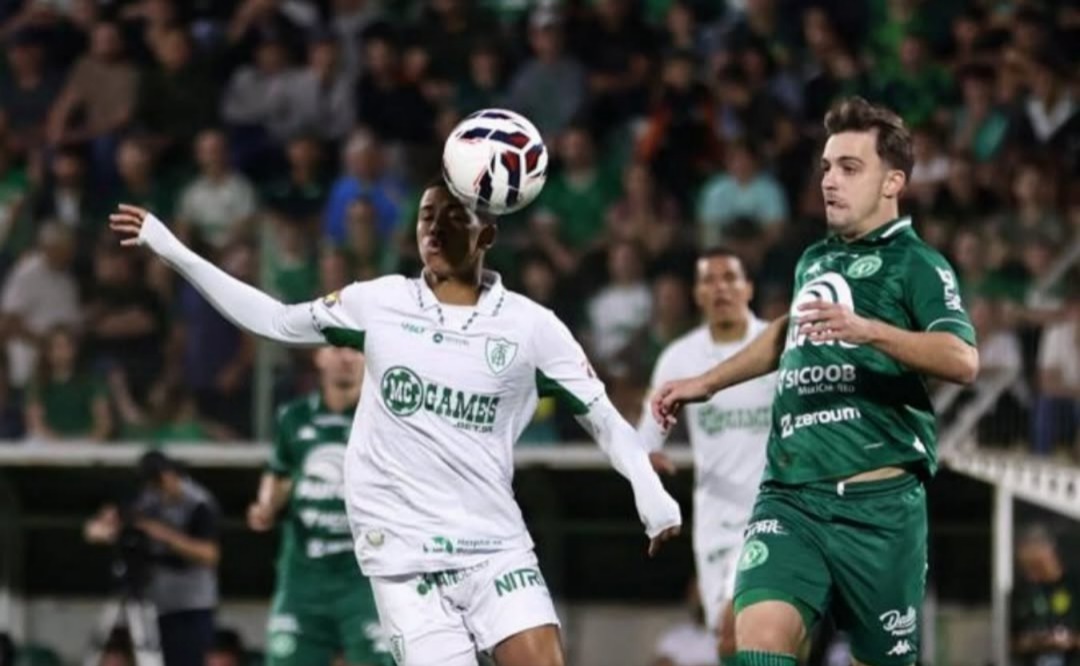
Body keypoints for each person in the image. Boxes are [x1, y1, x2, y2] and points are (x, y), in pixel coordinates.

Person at [108, 181, 681, 666]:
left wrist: (649, 491)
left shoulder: (533, 328)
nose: (432, 229)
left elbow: (603, 417)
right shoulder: (380, 304)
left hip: (494, 545)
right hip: (404, 560)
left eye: (451, 217)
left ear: (487, 235)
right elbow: (275, 321)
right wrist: (171, 249)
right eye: (425, 216)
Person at [652, 96, 979, 666]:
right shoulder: (814, 261)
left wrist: (869, 331)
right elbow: (787, 333)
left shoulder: (918, 265)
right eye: (826, 167)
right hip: (791, 494)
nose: (830, 181)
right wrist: (707, 381)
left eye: (850, 168)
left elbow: (961, 358)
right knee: (754, 639)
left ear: (891, 182)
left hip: (879, 508)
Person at [639, 247, 775, 662]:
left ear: (748, 287)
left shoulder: (775, 344)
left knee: (753, 625)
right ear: (697, 294)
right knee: (727, 640)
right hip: (715, 519)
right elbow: (648, 436)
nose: (721, 288)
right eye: (709, 280)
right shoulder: (679, 358)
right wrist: (646, 462)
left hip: (775, 511)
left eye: (730, 278)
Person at [248, 346, 390, 666]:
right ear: (319, 357)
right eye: (338, 348)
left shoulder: (386, 420)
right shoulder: (293, 417)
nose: (347, 358)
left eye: (357, 349)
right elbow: (279, 472)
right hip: (303, 576)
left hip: (363, 578)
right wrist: (266, 504)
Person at [84, 451, 220, 666]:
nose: (156, 490)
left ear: (170, 475)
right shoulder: (147, 498)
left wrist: (161, 533)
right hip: (152, 602)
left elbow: (209, 555)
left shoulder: (198, 503)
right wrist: (109, 530)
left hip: (190, 605)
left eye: (159, 482)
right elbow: (96, 528)